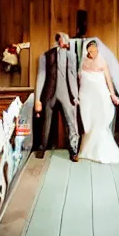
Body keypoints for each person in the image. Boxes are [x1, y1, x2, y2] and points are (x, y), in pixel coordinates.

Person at [78, 40, 119, 164]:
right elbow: (79, 79)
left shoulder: (102, 61)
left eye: (94, 51)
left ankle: (101, 151)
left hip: (100, 95)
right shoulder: (83, 60)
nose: (92, 53)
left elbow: (108, 80)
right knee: (88, 121)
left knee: (100, 120)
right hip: (86, 96)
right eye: (90, 51)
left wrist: (113, 95)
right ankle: (87, 149)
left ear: (98, 50)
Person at [34, 32, 80, 161]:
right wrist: (38, 99)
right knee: (45, 122)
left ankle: (74, 150)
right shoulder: (45, 56)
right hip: (49, 92)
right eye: (60, 38)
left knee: (71, 122)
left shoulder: (72, 56)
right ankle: (42, 147)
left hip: (67, 92)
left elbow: (72, 76)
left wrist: (75, 96)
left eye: (64, 38)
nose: (62, 41)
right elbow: (41, 76)